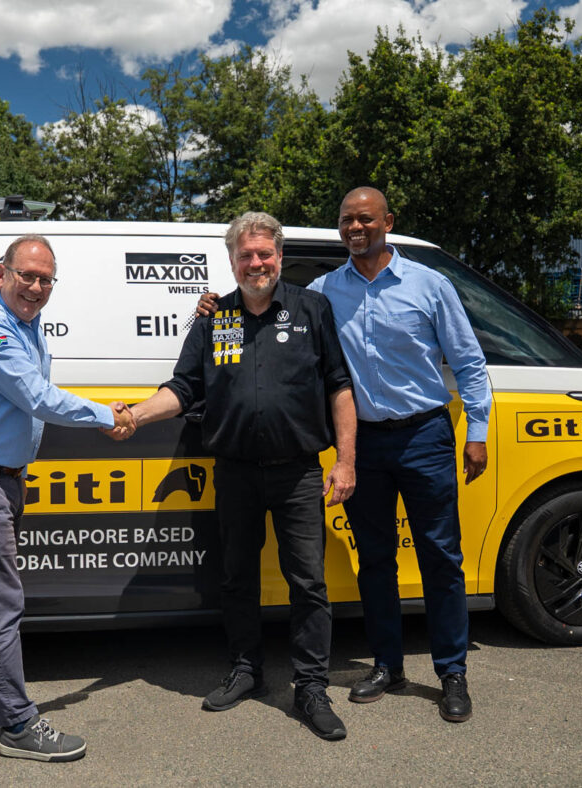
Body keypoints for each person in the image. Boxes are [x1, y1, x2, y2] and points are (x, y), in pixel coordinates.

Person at [197, 188, 490, 724]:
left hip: (424, 434)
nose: (356, 228)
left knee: (440, 558)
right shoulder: (324, 292)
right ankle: (387, 665)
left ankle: (452, 671)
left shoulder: (430, 285)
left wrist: (478, 429)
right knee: (374, 560)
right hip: (362, 443)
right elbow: (268, 304)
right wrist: (213, 307)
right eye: (347, 220)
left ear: (387, 222)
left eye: (366, 219)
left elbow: (469, 361)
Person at [115, 212, 357, 741]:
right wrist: (135, 414)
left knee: (308, 584)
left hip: (298, 473)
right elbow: (183, 388)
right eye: (245, 255)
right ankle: (246, 670)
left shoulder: (312, 309)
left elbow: (339, 385)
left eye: (264, 253)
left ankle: (311, 687)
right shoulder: (213, 318)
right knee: (237, 578)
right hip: (235, 472)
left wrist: (346, 461)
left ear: (280, 256)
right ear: (231, 261)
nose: (256, 263)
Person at [0, 234, 135, 763]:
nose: (36, 287)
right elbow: (36, 397)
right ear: (2, 273)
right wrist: (106, 415)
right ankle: (18, 726)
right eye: (27, 276)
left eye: (46, 280)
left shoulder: (25, 324)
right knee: (1, 601)